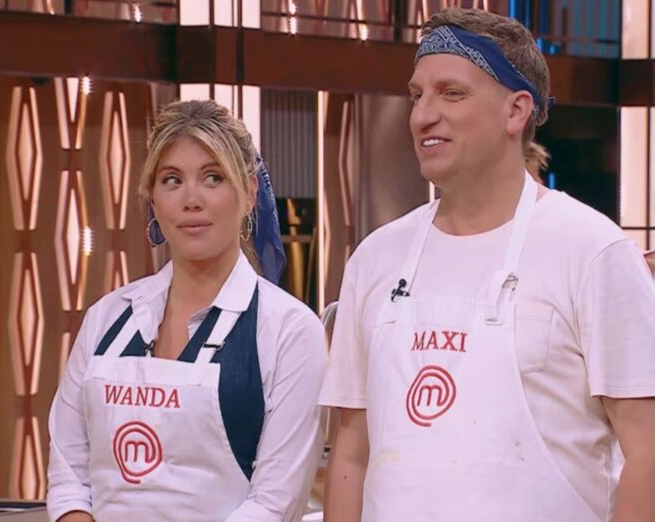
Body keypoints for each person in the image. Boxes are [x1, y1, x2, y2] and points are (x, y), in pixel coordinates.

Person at [319, 8, 655, 522]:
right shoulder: (376, 258)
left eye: (451, 93)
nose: (423, 116)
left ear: (517, 110)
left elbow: (647, 450)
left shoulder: (593, 253)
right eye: (417, 95)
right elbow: (352, 451)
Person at [47, 99, 327, 522]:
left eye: (213, 177)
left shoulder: (289, 331)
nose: (191, 199)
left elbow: (274, 503)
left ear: (250, 193)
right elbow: (69, 474)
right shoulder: (106, 319)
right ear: (152, 197)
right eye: (172, 180)